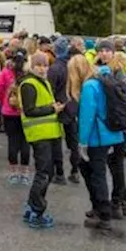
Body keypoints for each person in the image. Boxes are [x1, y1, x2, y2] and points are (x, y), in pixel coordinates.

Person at [77, 45, 126, 229]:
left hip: (97, 136)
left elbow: (87, 116)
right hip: (112, 133)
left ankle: (103, 213)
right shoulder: (110, 80)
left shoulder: (90, 86)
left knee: (96, 174)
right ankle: (102, 209)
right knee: (101, 172)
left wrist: (82, 141)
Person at [19, 51, 64, 229]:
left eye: (45, 65)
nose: (43, 68)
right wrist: (52, 109)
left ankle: (33, 205)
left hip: (50, 132)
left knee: (48, 172)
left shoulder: (42, 81)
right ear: (32, 65)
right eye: (39, 65)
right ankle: (36, 210)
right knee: (43, 173)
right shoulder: (28, 84)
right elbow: (30, 110)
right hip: (39, 134)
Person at [47, 36, 81, 184]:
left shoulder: (55, 68)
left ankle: (59, 173)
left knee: (56, 142)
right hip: (73, 107)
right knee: (73, 142)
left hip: (59, 107)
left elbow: (50, 90)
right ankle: (75, 171)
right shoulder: (74, 67)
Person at [0, 49, 30, 184]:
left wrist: (3, 101)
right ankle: (25, 173)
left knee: (12, 142)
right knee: (25, 142)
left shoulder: (5, 72)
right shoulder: (28, 74)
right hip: (26, 112)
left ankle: (14, 173)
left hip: (9, 112)